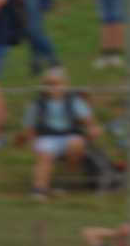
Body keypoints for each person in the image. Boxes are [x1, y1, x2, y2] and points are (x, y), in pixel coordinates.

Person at [20, 67, 98, 200]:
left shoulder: (73, 101)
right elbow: (29, 127)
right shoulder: (38, 104)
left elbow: (88, 121)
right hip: (47, 136)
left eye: (57, 83)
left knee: (76, 144)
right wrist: (29, 140)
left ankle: (65, 181)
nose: (53, 87)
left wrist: (92, 129)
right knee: (45, 151)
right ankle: (39, 189)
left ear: (65, 85)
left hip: (70, 135)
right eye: (49, 84)